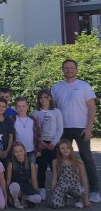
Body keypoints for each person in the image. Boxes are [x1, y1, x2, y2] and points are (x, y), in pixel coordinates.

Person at [51, 59, 100, 202]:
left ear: (76, 70)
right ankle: (63, 191)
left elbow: (92, 108)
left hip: (81, 128)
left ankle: (95, 190)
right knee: (61, 160)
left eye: (71, 68)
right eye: (66, 68)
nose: (69, 70)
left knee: (87, 159)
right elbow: (53, 108)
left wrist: (89, 127)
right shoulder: (57, 87)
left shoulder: (84, 86)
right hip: (62, 129)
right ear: (62, 70)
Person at [33, 89, 63, 200]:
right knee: (41, 167)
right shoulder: (36, 113)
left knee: (55, 167)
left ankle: (59, 190)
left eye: (45, 97)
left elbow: (60, 129)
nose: (43, 100)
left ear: (50, 98)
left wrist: (54, 143)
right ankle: (41, 189)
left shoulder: (56, 112)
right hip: (42, 144)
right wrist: (41, 142)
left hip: (54, 144)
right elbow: (35, 130)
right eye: (40, 98)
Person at [50, 139, 90, 208]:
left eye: (67, 148)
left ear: (71, 149)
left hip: (75, 185)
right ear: (59, 150)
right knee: (55, 204)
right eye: (62, 148)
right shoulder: (55, 161)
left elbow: (84, 179)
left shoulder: (78, 161)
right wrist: (53, 193)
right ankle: (64, 198)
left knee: (81, 191)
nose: (65, 150)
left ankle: (79, 199)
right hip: (62, 185)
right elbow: (54, 178)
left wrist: (86, 199)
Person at [7, 142, 42, 209]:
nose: (19, 153)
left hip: (26, 188)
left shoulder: (30, 164)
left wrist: (36, 191)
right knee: (14, 186)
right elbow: (8, 181)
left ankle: (24, 198)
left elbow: (34, 180)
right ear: (13, 153)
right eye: (16, 152)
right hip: (16, 188)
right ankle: (16, 201)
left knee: (38, 198)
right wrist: (8, 195)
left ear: (24, 151)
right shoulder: (11, 164)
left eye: (20, 151)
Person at [12, 97, 41, 165]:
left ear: (27, 107)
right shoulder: (12, 119)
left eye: (23, 106)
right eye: (19, 106)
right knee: (17, 171)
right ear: (16, 107)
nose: (21, 108)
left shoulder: (33, 119)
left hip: (31, 151)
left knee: (31, 171)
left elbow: (38, 135)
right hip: (17, 152)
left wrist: (38, 150)